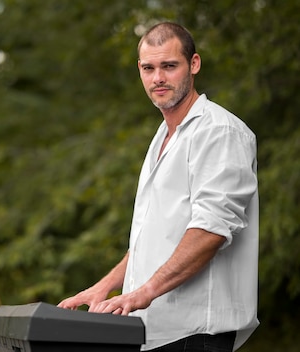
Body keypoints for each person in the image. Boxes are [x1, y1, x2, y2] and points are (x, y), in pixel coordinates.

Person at [57, 22, 259, 352]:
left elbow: (211, 230)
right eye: (149, 68)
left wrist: (144, 292)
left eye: (169, 66)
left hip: (197, 333)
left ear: (193, 64)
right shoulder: (163, 137)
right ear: (140, 70)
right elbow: (154, 239)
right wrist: (105, 286)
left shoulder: (220, 132)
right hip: (154, 332)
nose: (158, 79)